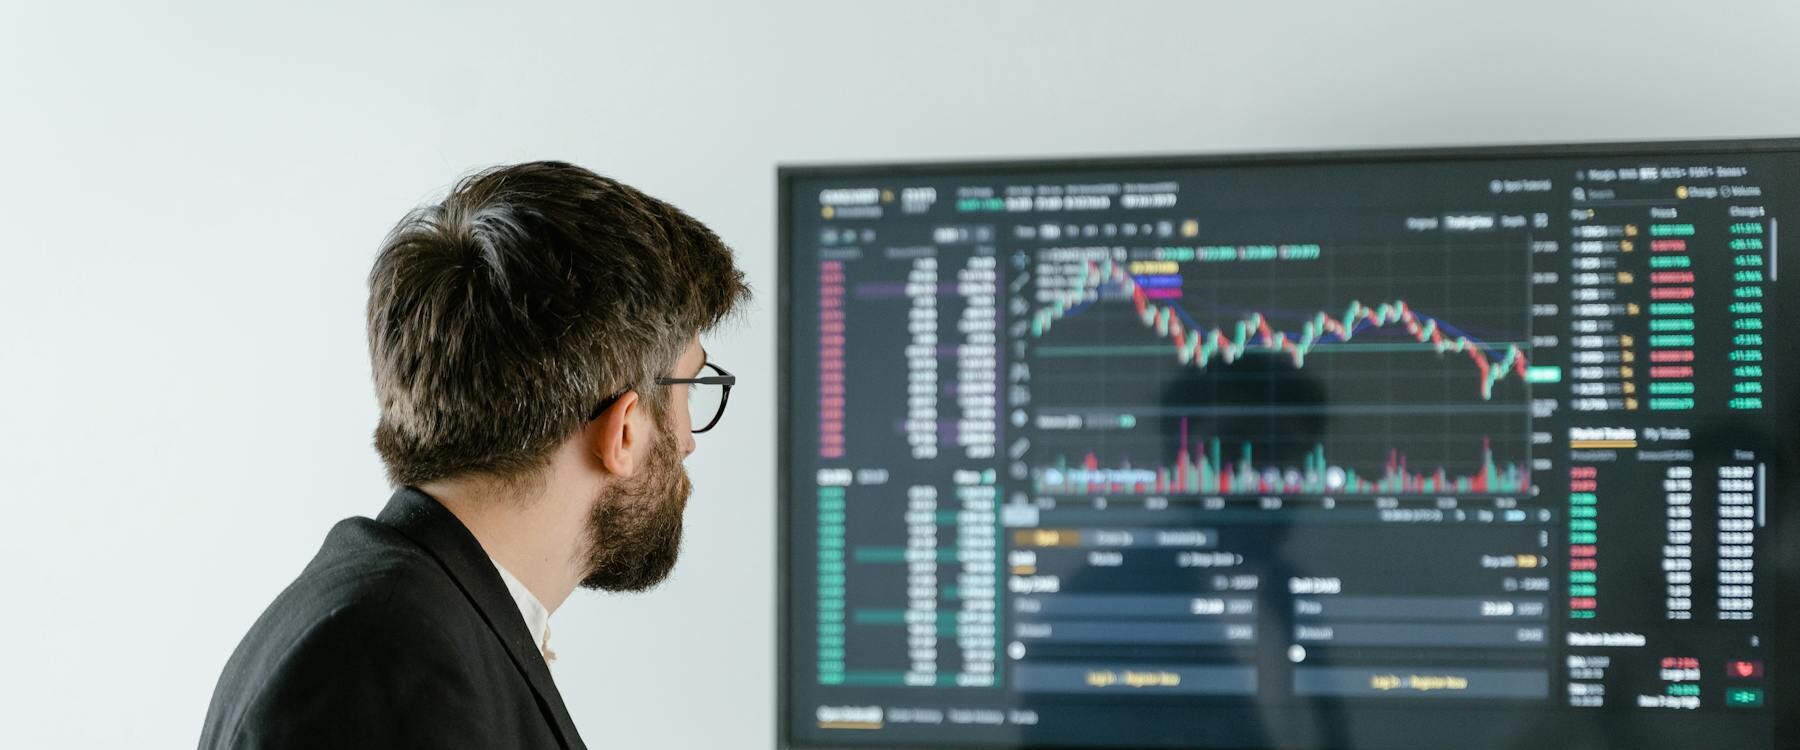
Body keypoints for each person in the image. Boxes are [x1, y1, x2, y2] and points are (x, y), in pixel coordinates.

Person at [198, 162, 750, 749]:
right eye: (690, 388)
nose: (690, 440)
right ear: (623, 430)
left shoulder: (409, 623)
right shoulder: (391, 660)